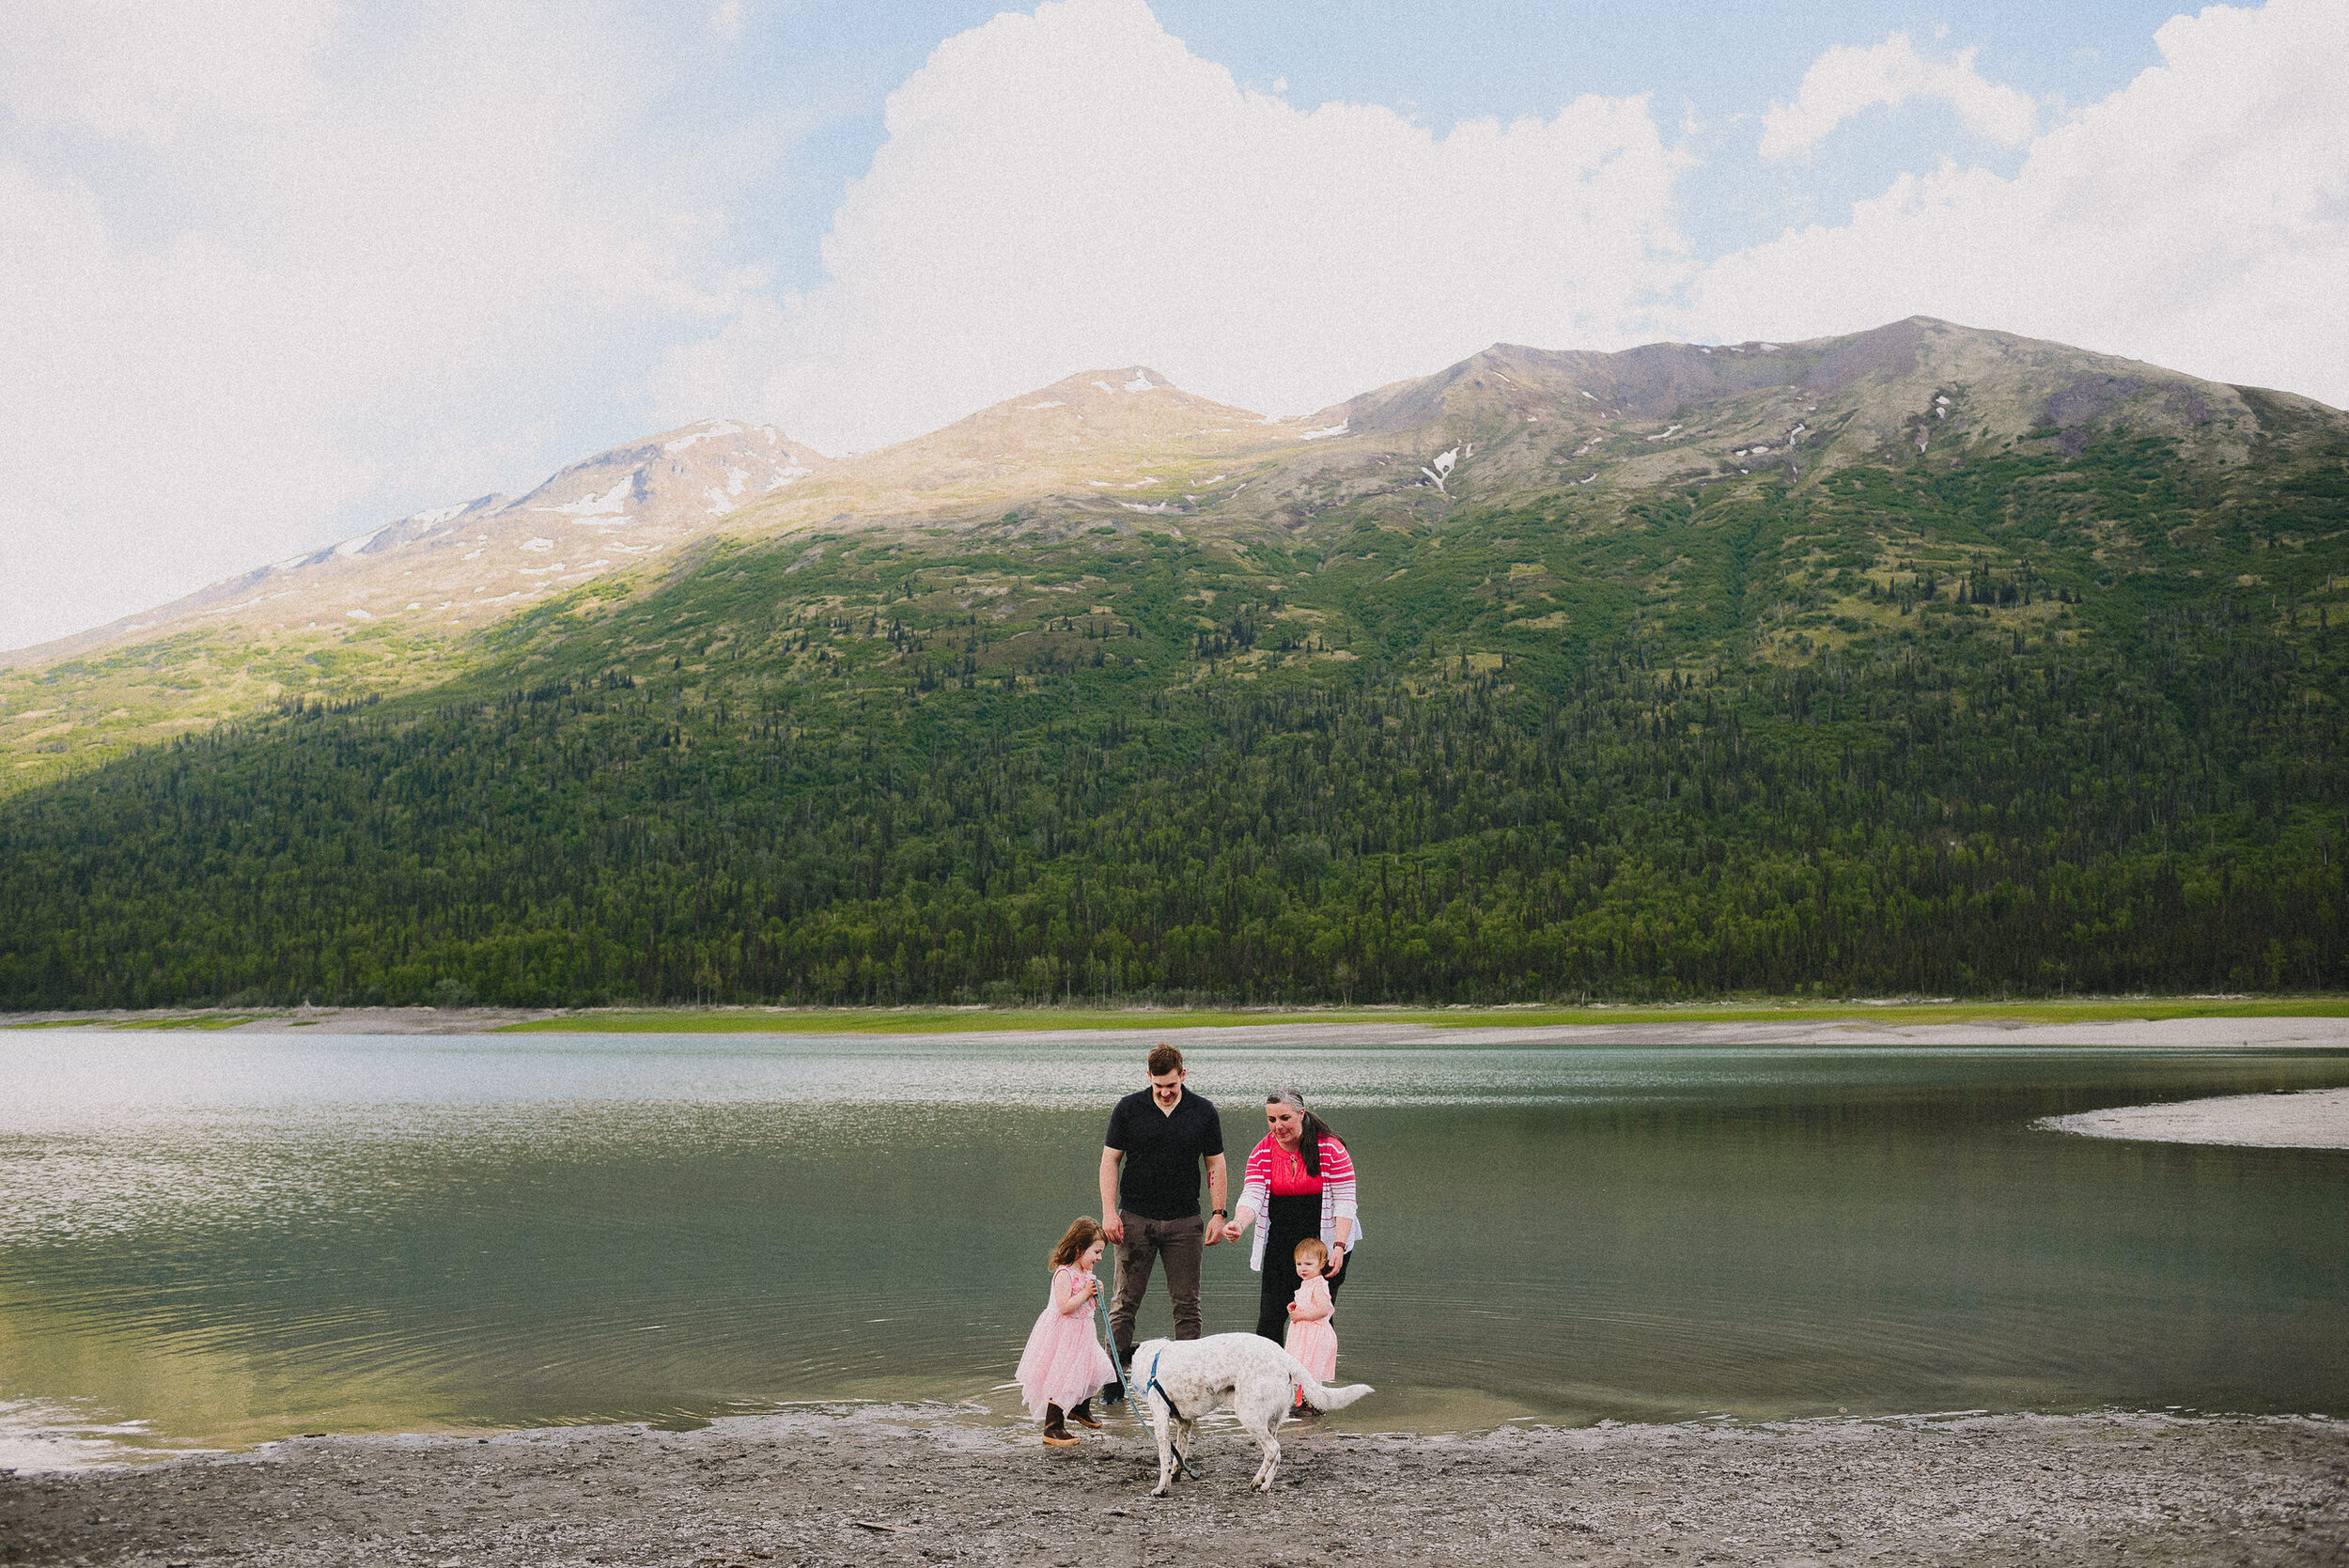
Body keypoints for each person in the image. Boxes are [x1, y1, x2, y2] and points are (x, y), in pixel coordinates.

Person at [1099, 1044, 1228, 1395]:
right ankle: (1113, 1383)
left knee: (1187, 1305)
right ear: (1149, 1078)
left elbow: (1215, 1163)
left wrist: (1219, 1213)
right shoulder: (1129, 1109)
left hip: (1185, 1221)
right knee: (1124, 1303)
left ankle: (1188, 1383)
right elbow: (1110, 1160)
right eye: (1159, 1087)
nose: (1166, 1092)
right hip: (1134, 1219)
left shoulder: (1203, 1111)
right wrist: (1109, 1212)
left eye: (1171, 1085)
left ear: (1182, 1075)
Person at [1223, 1089, 1360, 1348]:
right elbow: (1252, 1194)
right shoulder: (1262, 1152)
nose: (1278, 1126)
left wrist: (1339, 1247)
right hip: (1282, 1241)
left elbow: (1345, 1201)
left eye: (1285, 1118)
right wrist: (1239, 1224)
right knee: (1270, 1317)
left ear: (1302, 1114)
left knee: (1317, 1314)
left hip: (1325, 1241)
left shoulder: (1331, 1149)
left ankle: (1314, 1382)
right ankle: (1271, 1380)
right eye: (1272, 1119)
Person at [1014, 1217, 1117, 1447]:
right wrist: (1085, 1293)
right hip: (1064, 1336)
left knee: (1099, 1370)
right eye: (1096, 1252)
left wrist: (1096, 1292)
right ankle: (1053, 1428)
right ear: (1079, 1249)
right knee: (1064, 1379)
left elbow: (1091, 1307)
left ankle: (1079, 1408)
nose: (1099, 1258)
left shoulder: (1087, 1274)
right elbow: (1064, 1307)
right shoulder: (1064, 1274)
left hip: (1084, 1334)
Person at [1283, 1236, 1339, 1396]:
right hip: (1303, 1335)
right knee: (1301, 1367)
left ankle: (1314, 1402)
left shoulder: (1318, 1284)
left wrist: (1301, 1316)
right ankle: (1302, 1401)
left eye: (1308, 1264)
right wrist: (1294, 1306)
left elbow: (1324, 1309)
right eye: (1299, 1264)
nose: (1303, 1268)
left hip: (1315, 1335)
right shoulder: (1306, 1283)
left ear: (1322, 1264)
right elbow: (1307, 1303)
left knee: (1310, 1368)